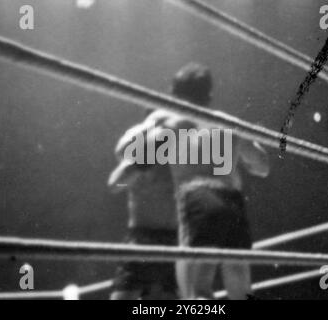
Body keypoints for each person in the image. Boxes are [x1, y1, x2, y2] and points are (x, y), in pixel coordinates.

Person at [144, 63, 270, 299]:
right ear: (209, 93)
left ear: (176, 94)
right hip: (233, 201)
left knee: (197, 291)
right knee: (242, 291)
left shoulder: (172, 126)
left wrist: (152, 122)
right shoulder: (228, 123)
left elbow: (136, 160)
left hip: (198, 199)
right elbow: (262, 166)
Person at [107, 111, 178, 300]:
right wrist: (139, 162)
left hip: (175, 240)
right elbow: (116, 185)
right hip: (142, 238)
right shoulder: (136, 140)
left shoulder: (185, 144)